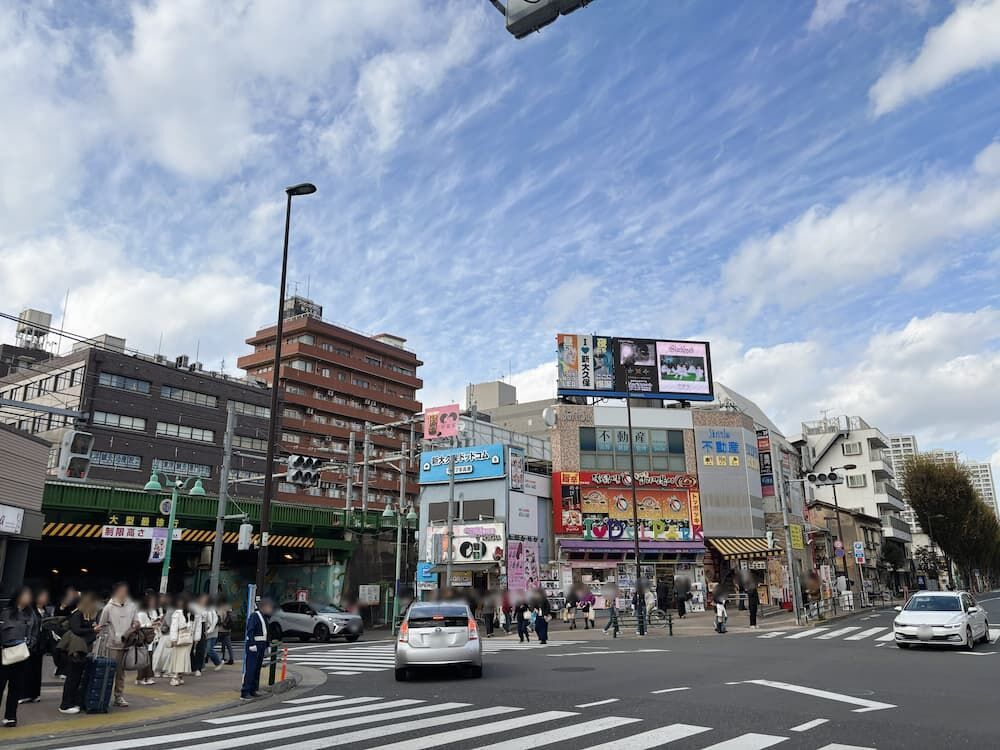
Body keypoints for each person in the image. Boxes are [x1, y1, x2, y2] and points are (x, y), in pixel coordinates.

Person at [97, 581, 139, 708]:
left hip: (128, 644)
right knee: (110, 672)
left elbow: (136, 621)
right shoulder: (108, 608)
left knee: (121, 673)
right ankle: (104, 697)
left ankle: (118, 696)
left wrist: (136, 626)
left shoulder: (132, 606)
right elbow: (102, 625)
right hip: (112, 645)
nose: (124, 593)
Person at [58, 592, 101, 715]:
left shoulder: (85, 616)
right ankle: (65, 705)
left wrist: (93, 629)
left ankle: (73, 702)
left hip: (82, 650)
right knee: (72, 678)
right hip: (74, 651)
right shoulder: (77, 614)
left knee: (77, 678)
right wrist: (92, 629)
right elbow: (76, 630)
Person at [0, 587, 34, 726]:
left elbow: (34, 633)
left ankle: (10, 717)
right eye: (25, 595)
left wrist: (29, 645)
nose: (28, 597)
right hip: (5, 652)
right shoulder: (6, 613)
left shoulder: (30, 614)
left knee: (16, 687)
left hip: (21, 654)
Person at [20, 589, 49, 704]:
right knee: (26, 670)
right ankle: (25, 694)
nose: (44, 598)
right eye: (42, 596)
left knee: (37, 671)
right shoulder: (30, 611)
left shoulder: (45, 612)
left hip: (40, 645)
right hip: (30, 644)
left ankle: (35, 694)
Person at [241, 598, 273, 700]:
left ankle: (253, 689)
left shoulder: (264, 617)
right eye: (268, 607)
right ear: (263, 607)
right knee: (251, 668)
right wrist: (251, 643)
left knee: (257, 668)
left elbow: (266, 632)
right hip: (255, 645)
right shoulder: (255, 616)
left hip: (261, 645)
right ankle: (245, 691)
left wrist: (267, 645)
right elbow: (250, 630)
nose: (270, 609)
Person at [168, 594, 199, 687]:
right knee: (183, 658)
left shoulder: (178, 613)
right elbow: (197, 627)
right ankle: (179, 676)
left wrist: (173, 638)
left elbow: (174, 627)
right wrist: (196, 638)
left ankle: (176, 676)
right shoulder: (192, 613)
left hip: (180, 638)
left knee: (179, 658)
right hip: (188, 639)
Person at [135, 592, 164, 685]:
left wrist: (157, 622)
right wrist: (151, 624)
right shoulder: (141, 613)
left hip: (151, 637)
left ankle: (148, 676)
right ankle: (141, 677)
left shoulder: (152, 611)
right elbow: (139, 625)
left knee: (149, 657)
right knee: (143, 658)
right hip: (143, 637)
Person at [194, 594, 222, 672]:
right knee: (203, 649)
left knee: (209, 649)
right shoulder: (199, 609)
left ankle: (218, 662)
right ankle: (201, 666)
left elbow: (215, 619)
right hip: (204, 631)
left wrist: (210, 629)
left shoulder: (210, 608)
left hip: (211, 631)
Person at [216, 600, 235, 665]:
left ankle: (207, 657)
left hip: (220, 630)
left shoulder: (218, 609)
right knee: (228, 646)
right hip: (227, 630)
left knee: (211, 645)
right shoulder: (228, 608)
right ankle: (231, 659)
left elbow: (218, 620)